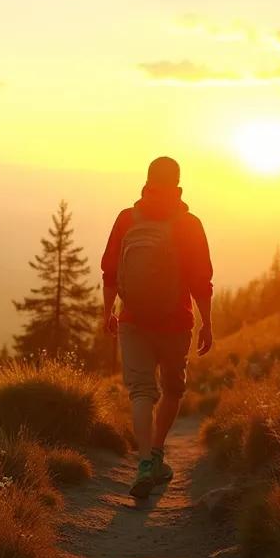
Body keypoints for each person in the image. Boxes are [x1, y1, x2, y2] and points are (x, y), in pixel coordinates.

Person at [100, 156, 214, 499]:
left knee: (140, 393)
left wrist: (109, 312)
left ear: (146, 183)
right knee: (173, 390)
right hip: (176, 322)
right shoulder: (189, 223)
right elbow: (201, 280)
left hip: (133, 319)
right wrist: (207, 322)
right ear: (178, 186)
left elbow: (109, 271)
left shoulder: (126, 219)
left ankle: (145, 463)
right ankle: (158, 453)